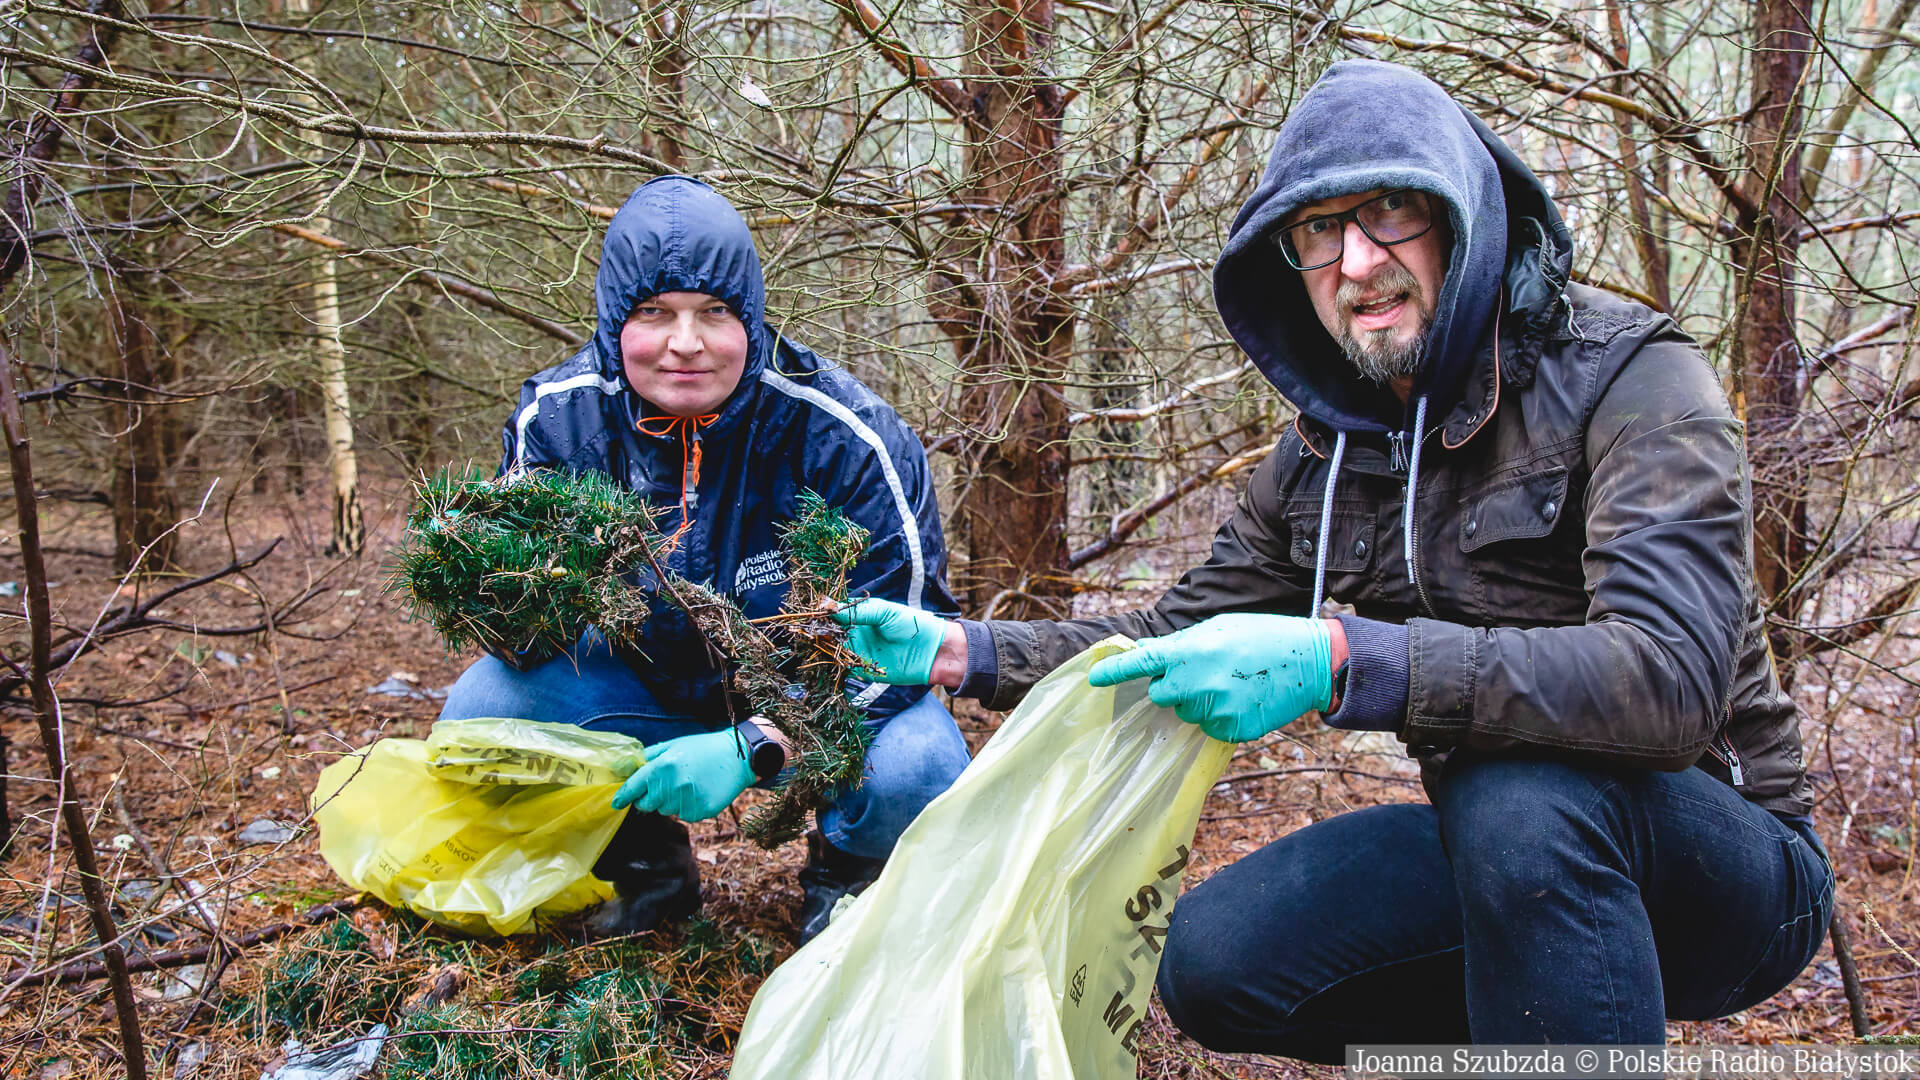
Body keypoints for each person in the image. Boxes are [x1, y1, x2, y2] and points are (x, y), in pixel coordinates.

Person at [835, 60, 1833, 1056]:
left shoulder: (1635, 379)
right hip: (1507, 854)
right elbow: (1172, 634)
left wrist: (1347, 658)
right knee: (1220, 964)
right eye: (1320, 231)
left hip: (1734, 871)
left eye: (1392, 210)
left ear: (1462, 217)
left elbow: (1668, 679)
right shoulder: (1328, 452)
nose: (1358, 262)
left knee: (1518, 795)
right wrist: (964, 650)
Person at [437, 175, 970, 943]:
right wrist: (479, 583)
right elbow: (530, 643)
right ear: (613, 320)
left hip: (802, 700)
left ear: (750, 319)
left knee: (917, 762)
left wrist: (757, 742)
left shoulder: (846, 435)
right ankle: (647, 872)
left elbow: (908, 645)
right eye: (654, 313)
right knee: (484, 717)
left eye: (713, 314)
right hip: (637, 687)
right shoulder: (557, 422)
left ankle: (846, 876)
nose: (684, 343)